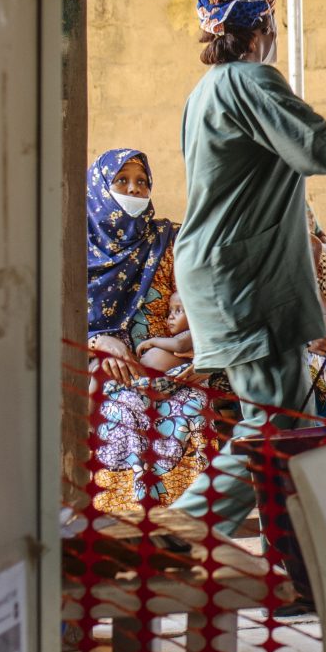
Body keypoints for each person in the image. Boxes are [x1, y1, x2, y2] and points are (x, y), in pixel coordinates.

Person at [169, 0, 326, 527]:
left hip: (227, 270)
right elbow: (320, 152)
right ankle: (177, 533)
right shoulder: (252, 80)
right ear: (263, 27)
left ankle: (297, 554)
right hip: (242, 276)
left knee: (291, 423)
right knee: (276, 426)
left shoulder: (205, 92)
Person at [84, 148, 213, 512]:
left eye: (142, 182)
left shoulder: (166, 242)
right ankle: (123, 520)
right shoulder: (74, 246)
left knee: (193, 405)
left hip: (166, 365)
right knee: (122, 411)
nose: (134, 189)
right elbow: (51, 316)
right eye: (122, 181)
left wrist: (191, 346)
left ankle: (184, 524)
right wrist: (99, 338)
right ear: (98, 188)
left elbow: (197, 304)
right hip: (100, 364)